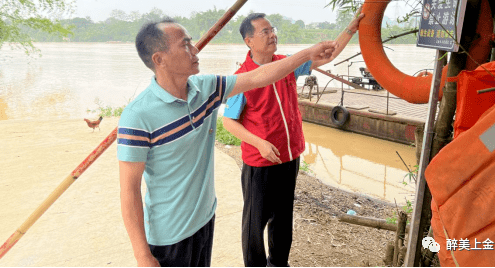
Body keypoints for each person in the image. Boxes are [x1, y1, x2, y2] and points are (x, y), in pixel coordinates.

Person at [117, 18, 339, 267]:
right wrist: (142, 255)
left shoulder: (206, 89)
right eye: (186, 44)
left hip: (205, 219)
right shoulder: (138, 116)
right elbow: (129, 191)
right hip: (169, 235)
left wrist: (307, 54)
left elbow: (259, 77)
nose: (195, 49)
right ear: (160, 59)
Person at [222, 11, 364, 267]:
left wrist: (350, 29)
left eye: (272, 29)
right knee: (255, 223)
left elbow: (327, 55)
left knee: (283, 216)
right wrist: (259, 143)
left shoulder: (287, 64)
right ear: (248, 41)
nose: (272, 34)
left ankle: (278, 263)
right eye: (264, 31)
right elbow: (228, 121)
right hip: (260, 162)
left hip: (289, 156)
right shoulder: (243, 77)